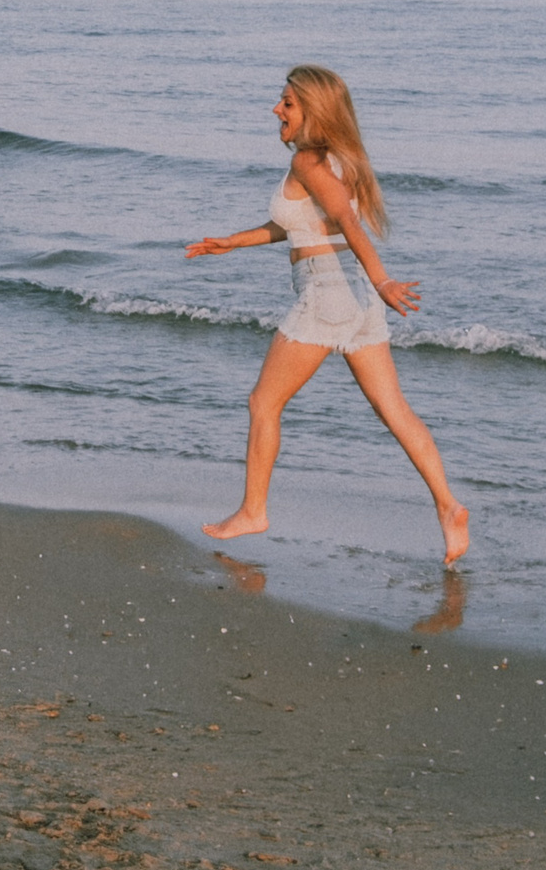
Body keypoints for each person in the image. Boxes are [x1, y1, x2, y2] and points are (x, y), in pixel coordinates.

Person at [187, 65, 469, 565]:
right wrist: (235, 241)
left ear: (313, 111)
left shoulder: (308, 163)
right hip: (355, 299)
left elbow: (345, 219)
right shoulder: (341, 160)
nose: (277, 109)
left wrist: (383, 279)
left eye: (288, 103)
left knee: (262, 404)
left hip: (327, 293)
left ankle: (253, 511)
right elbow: (302, 226)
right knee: (396, 412)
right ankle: (449, 508)